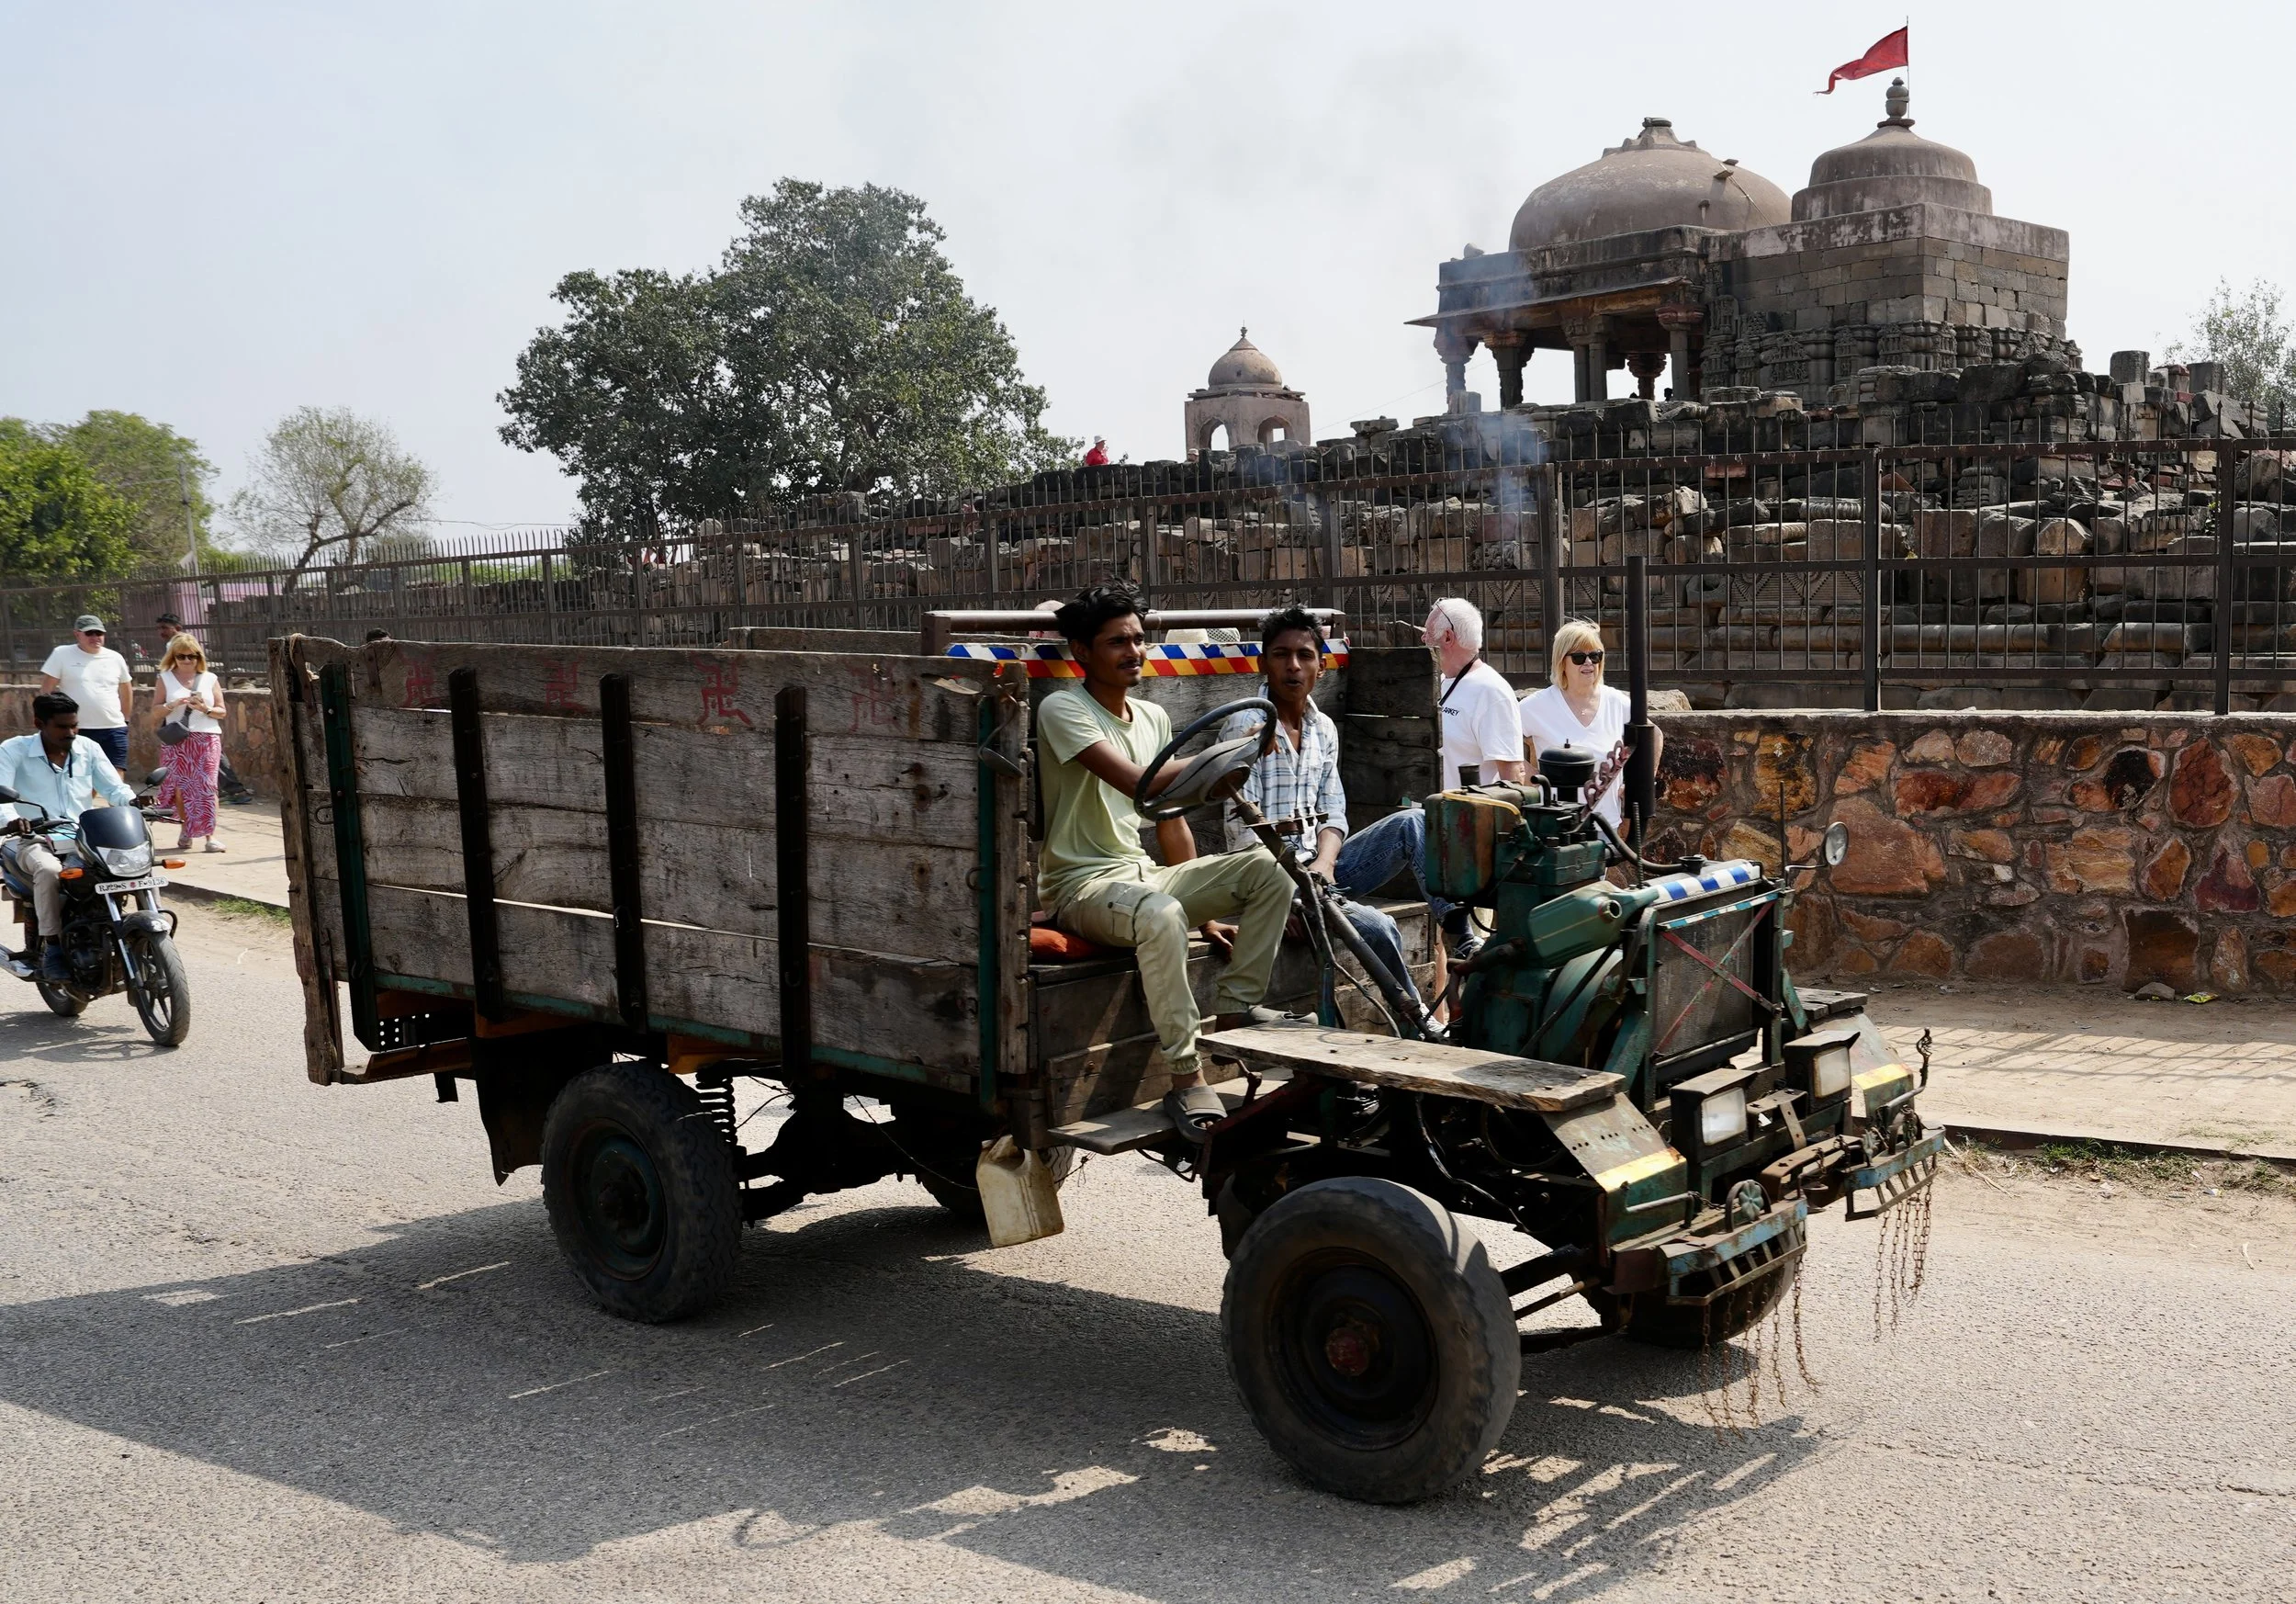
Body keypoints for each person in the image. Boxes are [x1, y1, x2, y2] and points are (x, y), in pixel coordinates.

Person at [1036, 582, 1293, 1143]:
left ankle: (1237, 1010)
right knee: (1158, 915)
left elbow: (1168, 815)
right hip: (1081, 887)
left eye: (1138, 639)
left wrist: (1204, 917)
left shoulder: (1152, 717)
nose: (1134, 653)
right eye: (1116, 643)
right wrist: (1231, 748)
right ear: (1082, 652)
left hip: (1139, 876)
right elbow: (1135, 781)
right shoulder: (1062, 709)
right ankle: (1185, 1074)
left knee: (1271, 869)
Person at [1218, 606, 1424, 1011]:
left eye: (1304, 655)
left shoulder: (1323, 728)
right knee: (1380, 926)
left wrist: (1325, 866)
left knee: (1413, 823)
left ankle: (1460, 931)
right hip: (1268, 881)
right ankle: (1418, 1023)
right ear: (1263, 663)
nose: (1293, 666)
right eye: (1281, 655)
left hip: (1320, 873)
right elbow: (1241, 831)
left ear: (1321, 666)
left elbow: (1334, 812)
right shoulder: (1246, 726)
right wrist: (1287, 898)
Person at [0, 693, 139, 983]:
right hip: (31, 837)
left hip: (81, 836)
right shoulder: (13, 751)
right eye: (62, 727)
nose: (71, 733)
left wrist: (133, 801)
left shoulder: (88, 748)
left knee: (129, 861)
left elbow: (114, 789)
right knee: (50, 871)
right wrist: (12, 819)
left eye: (75, 726)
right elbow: (1, 796)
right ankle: (52, 949)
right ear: (39, 723)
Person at [1518, 617, 1663, 831]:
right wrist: (1534, 780)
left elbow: (1654, 735)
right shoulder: (1536, 705)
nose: (1589, 663)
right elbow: (1502, 742)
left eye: (1595, 656)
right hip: (1554, 824)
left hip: (1605, 823)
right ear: (1562, 662)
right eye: (1579, 657)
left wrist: (1639, 783)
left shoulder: (1616, 702)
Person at [1423, 598, 1525, 790]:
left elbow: (1512, 775)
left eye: (1428, 632)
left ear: (1447, 637)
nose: (1423, 638)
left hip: (1467, 817)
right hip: (1430, 815)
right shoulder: (1441, 680)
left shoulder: (1492, 691)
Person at [153, 632, 227, 853]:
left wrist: (205, 708)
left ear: (199, 657)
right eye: (181, 656)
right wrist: (172, 704)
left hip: (206, 738)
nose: (187, 660)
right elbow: (155, 711)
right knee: (181, 788)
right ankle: (186, 828)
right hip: (177, 740)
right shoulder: (164, 678)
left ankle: (209, 836)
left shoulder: (209, 678)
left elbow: (222, 711)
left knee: (206, 786)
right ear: (173, 657)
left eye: (192, 656)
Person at [39, 616, 132, 775]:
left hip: (113, 728)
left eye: (99, 633)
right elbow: (46, 690)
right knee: (82, 777)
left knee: (115, 777)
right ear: (77, 634)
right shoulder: (62, 654)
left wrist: (125, 720)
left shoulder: (115, 657)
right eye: (90, 633)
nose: (95, 637)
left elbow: (126, 689)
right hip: (76, 729)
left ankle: (117, 802)